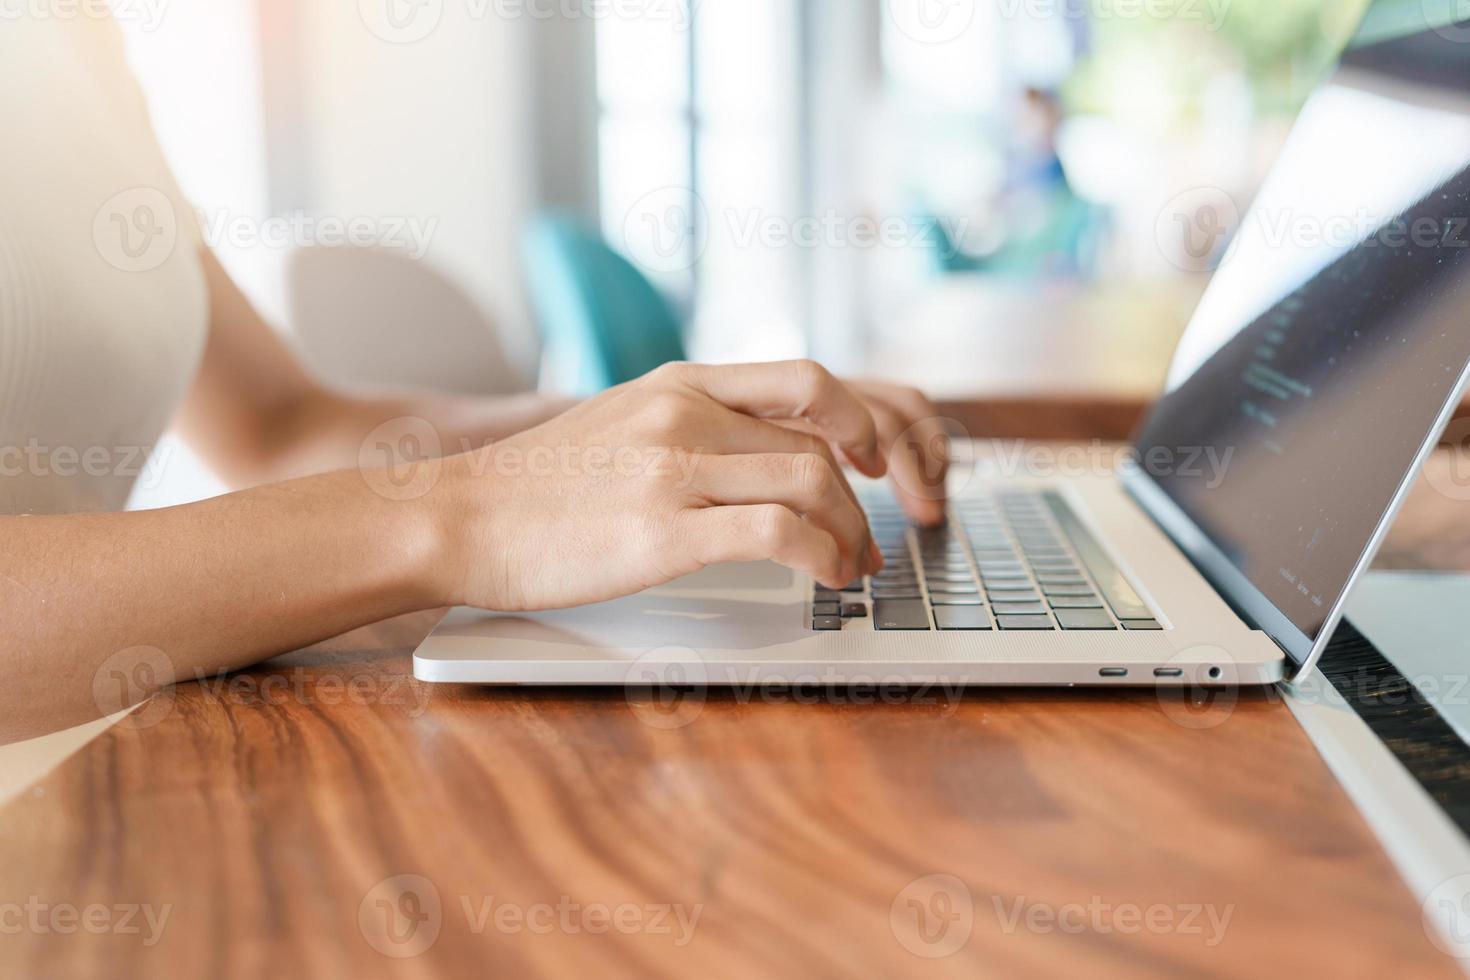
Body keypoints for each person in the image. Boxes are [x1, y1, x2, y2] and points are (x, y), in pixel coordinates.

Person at [0, 13, 949, 743]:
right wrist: (464, 516)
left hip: (129, 758)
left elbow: (278, 427)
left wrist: (660, 433)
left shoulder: (76, 36)